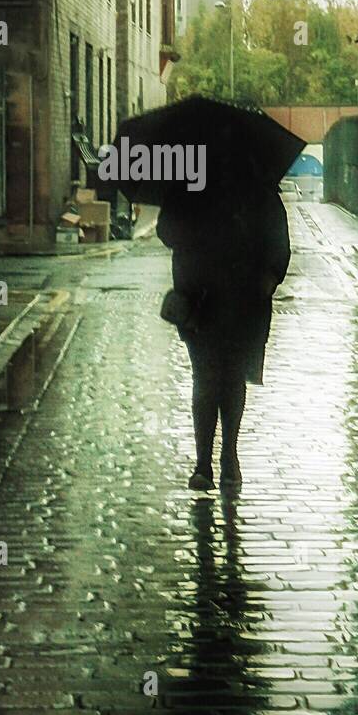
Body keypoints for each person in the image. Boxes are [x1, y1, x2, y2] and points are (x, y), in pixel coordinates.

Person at [157, 166, 291, 493]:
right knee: (211, 375)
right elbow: (166, 231)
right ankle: (211, 461)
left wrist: (270, 276)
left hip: (238, 298)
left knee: (225, 375)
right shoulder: (189, 182)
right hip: (202, 299)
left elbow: (277, 239)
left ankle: (224, 456)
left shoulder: (253, 185)